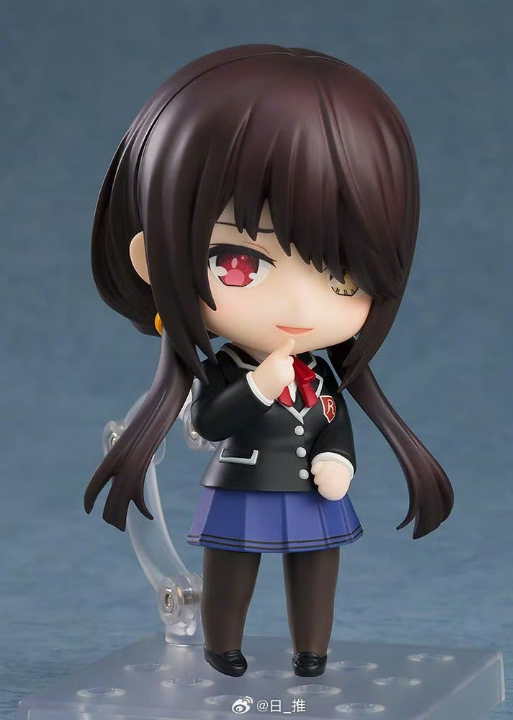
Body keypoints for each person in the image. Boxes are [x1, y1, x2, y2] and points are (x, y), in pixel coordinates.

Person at [84, 44, 454, 679]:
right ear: (153, 259)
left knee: (317, 568)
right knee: (232, 566)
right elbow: (212, 419)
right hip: (243, 485)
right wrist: (257, 387)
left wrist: (339, 459)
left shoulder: (324, 372)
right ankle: (221, 645)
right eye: (240, 262)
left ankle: (312, 651)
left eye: (340, 274)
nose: (299, 305)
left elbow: (334, 421)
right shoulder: (227, 367)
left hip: (312, 491)